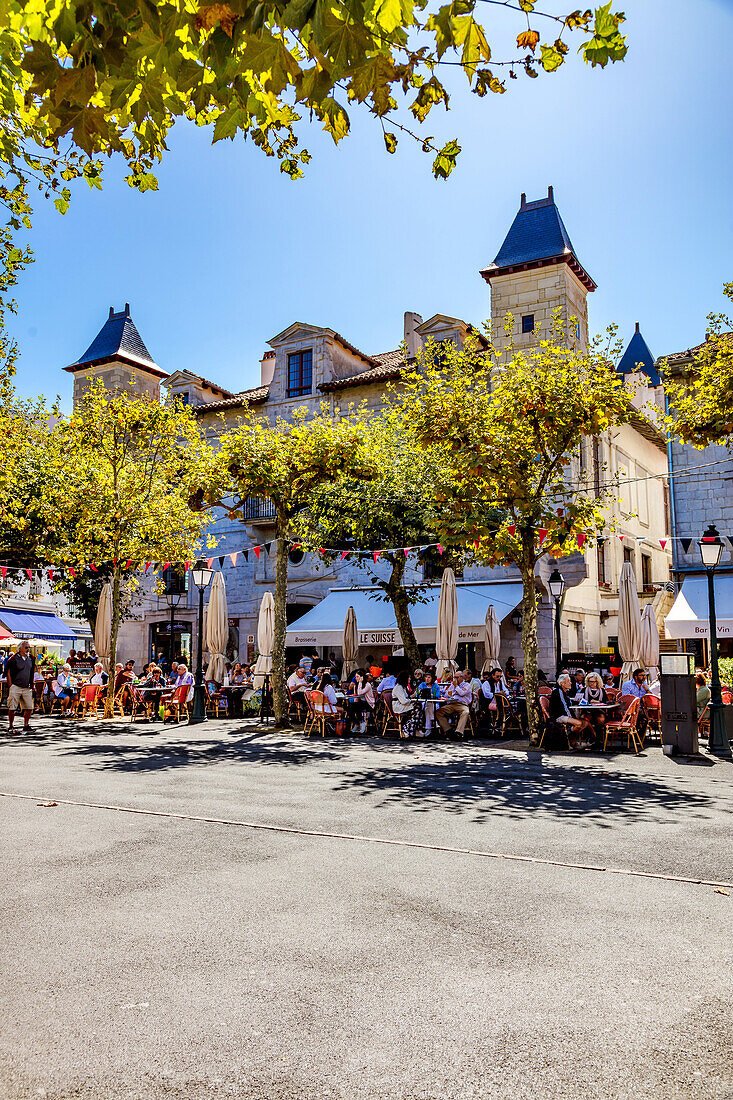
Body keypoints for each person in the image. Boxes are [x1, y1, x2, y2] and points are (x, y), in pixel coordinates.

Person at [548, 672, 593, 750]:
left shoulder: (565, 692)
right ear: (562, 683)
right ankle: (570, 737)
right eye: (568, 681)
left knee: (585, 723)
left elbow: (569, 704)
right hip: (558, 716)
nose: (571, 683)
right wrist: (572, 718)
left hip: (564, 715)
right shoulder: (558, 691)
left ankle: (591, 741)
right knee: (579, 723)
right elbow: (565, 707)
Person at [6, 640, 35, 733]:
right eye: (26, 647)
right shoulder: (14, 658)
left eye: (29, 647)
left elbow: (32, 672)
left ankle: (26, 725)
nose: (28, 649)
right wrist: (10, 685)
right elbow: (8, 671)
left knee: (29, 707)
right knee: (12, 707)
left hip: (26, 686)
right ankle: (11, 725)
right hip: (16, 686)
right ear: (20, 649)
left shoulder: (31, 658)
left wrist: (32, 684)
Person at [436, 672, 473, 737]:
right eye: (454, 677)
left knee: (465, 712)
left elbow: (462, 693)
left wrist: (456, 687)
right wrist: (454, 690)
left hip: (462, 704)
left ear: (462, 677)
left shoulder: (467, 685)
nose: (455, 679)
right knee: (438, 712)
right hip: (452, 703)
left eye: (457, 677)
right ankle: (448, 730)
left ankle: (459, 732)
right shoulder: (452, 685)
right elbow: (447, 694)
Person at [391, 669, 421, 738]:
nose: (410, 679)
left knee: (418, 709)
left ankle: (411, 729)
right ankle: (406, 728)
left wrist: (412, 696)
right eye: (409, 677)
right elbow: (404, 701)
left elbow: (405, 698)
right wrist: (411, 700)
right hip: (399, 707)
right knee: (417, 709)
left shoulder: (403, 687)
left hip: (403, 705)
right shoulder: (399, 688)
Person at [417, 671, 441, 735]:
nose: (427, 679)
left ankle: (428, 729)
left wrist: (432, 695)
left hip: (434, 704)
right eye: (426, 677)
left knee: (428, 708)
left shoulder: (435, 685)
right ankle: (434, 720)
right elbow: (419, 695)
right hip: (423, 703)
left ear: (432, 678)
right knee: (427, 704)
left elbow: (438, 695)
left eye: (429, 677)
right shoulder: (422, 685)